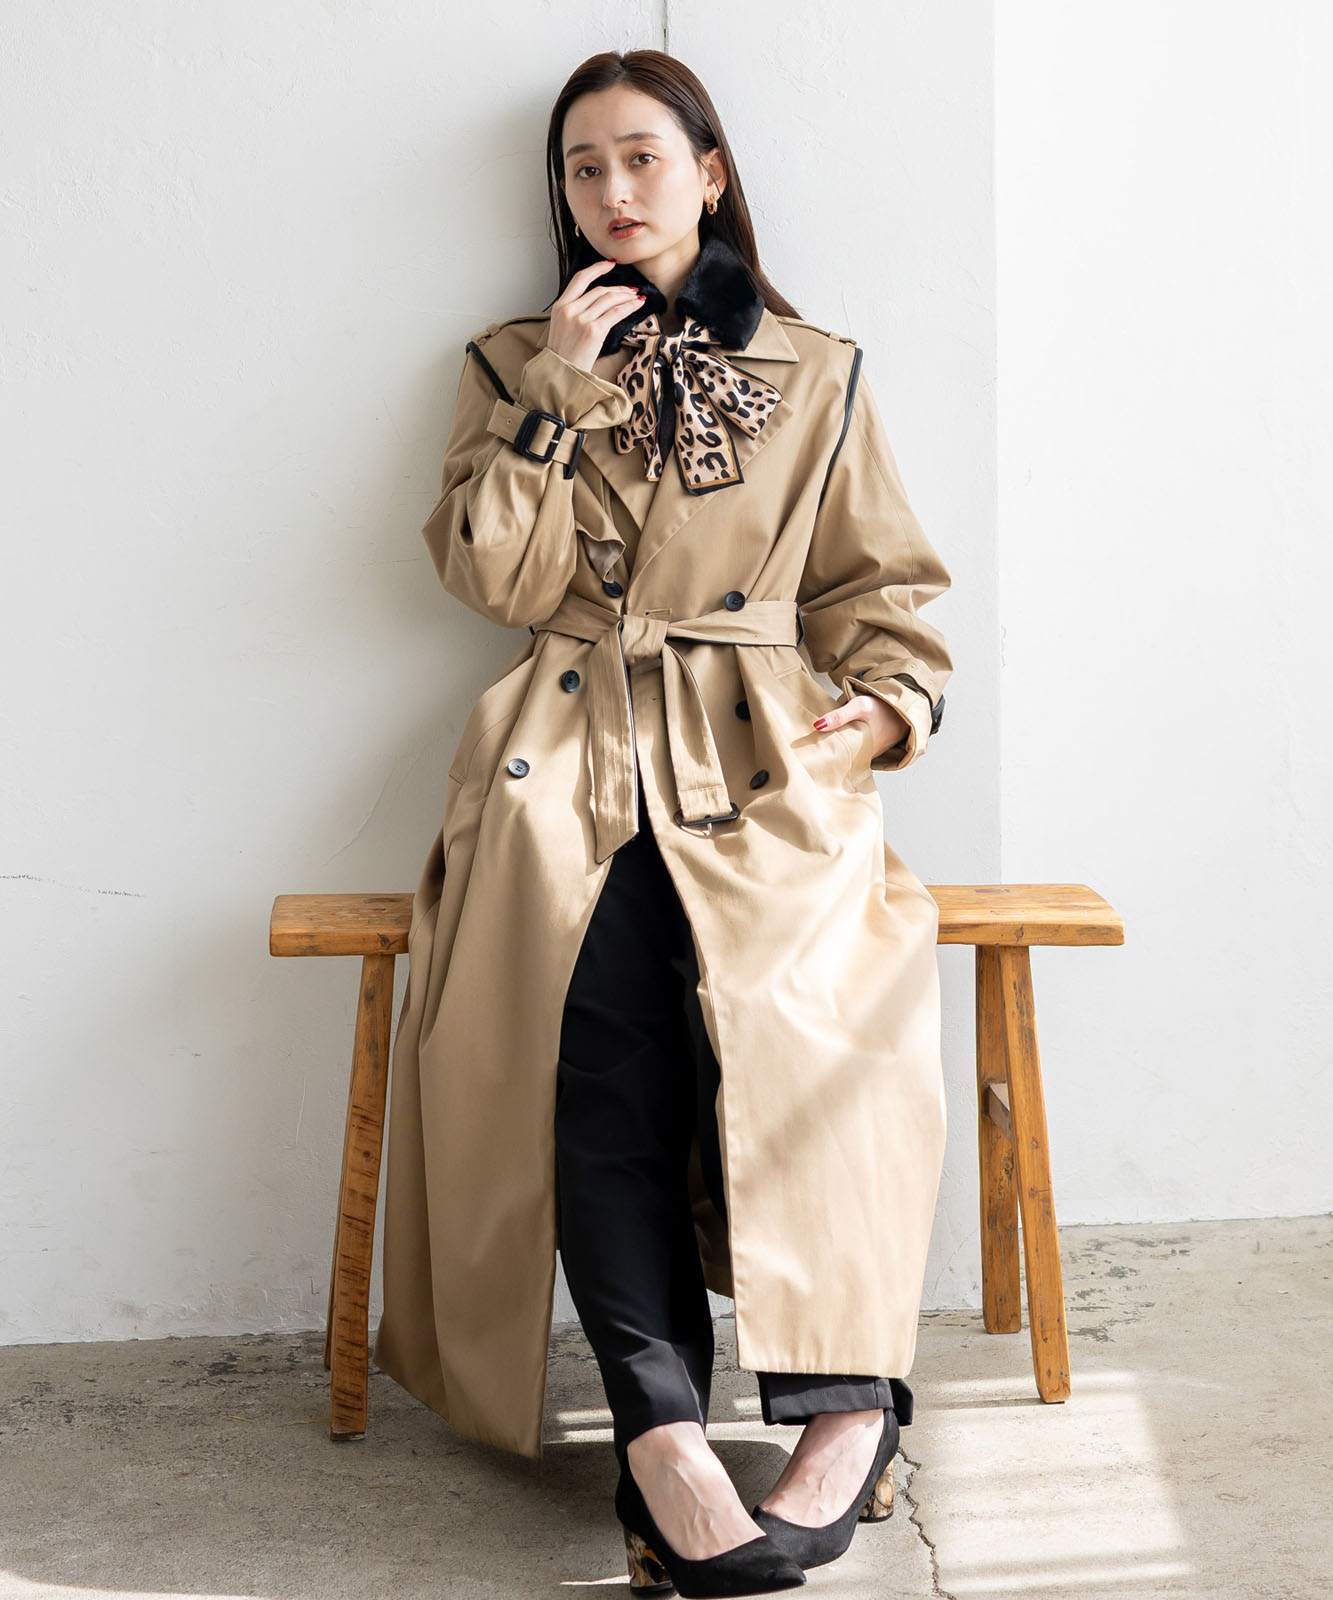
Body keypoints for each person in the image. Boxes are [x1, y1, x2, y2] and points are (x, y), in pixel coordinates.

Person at [372, 48, 953, 1599]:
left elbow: (881, 589)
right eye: (582, 167)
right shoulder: (507, 362)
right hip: (565, 758)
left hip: (763, 759)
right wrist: (558, 395)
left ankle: (844, 1411)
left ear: (708, 170)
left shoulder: (815, 368)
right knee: (592, 1062)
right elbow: (491, 580)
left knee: (818, 1046)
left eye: (642, 157)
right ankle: (662, 1436)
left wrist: (885, 708)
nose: (612, 191)